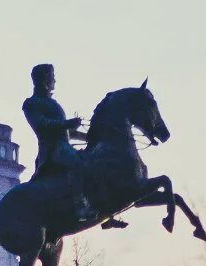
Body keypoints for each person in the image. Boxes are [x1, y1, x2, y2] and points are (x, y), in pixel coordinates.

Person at [22, 64, 127, 228]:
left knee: (96, 164)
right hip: (52, 150)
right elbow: (42, 124)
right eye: (52, 77)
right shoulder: (31, 104)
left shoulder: (52, 103)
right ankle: (80, 207)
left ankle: (106, 213)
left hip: (63, 145)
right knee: (80, 165)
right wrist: (67, 123)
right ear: (44, 80)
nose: (54, 80)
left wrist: (89, 137)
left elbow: (65, 132)